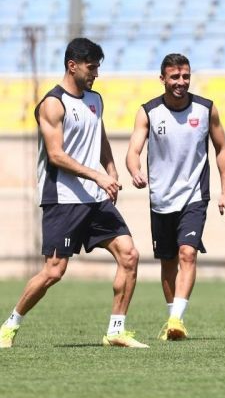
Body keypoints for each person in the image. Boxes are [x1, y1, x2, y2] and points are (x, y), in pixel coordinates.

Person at [0, 38, 147, 348]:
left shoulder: (95, 100)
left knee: (129, 255)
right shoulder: (53, 104)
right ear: (72, 66)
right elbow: (56, 155)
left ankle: (116, 331)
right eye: (91, 68)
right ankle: (10, 325)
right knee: (54, 271)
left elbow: (99, 134)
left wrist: (111, 169)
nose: (96, 74)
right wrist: (97, 175)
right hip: (63, 199)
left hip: (95, 198)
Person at [126, 53, 225, 341]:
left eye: (185, 76)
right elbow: (133, 151)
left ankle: (176, 320)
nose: (181, 82)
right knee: (168, 261)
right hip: (161, 198)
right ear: (162, 78)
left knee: (188, 252)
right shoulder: (148, 112)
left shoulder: (206, 109)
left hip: (194, 195)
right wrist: (135, 171)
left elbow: (222, 149)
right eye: (175, 77)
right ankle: (174, 318)